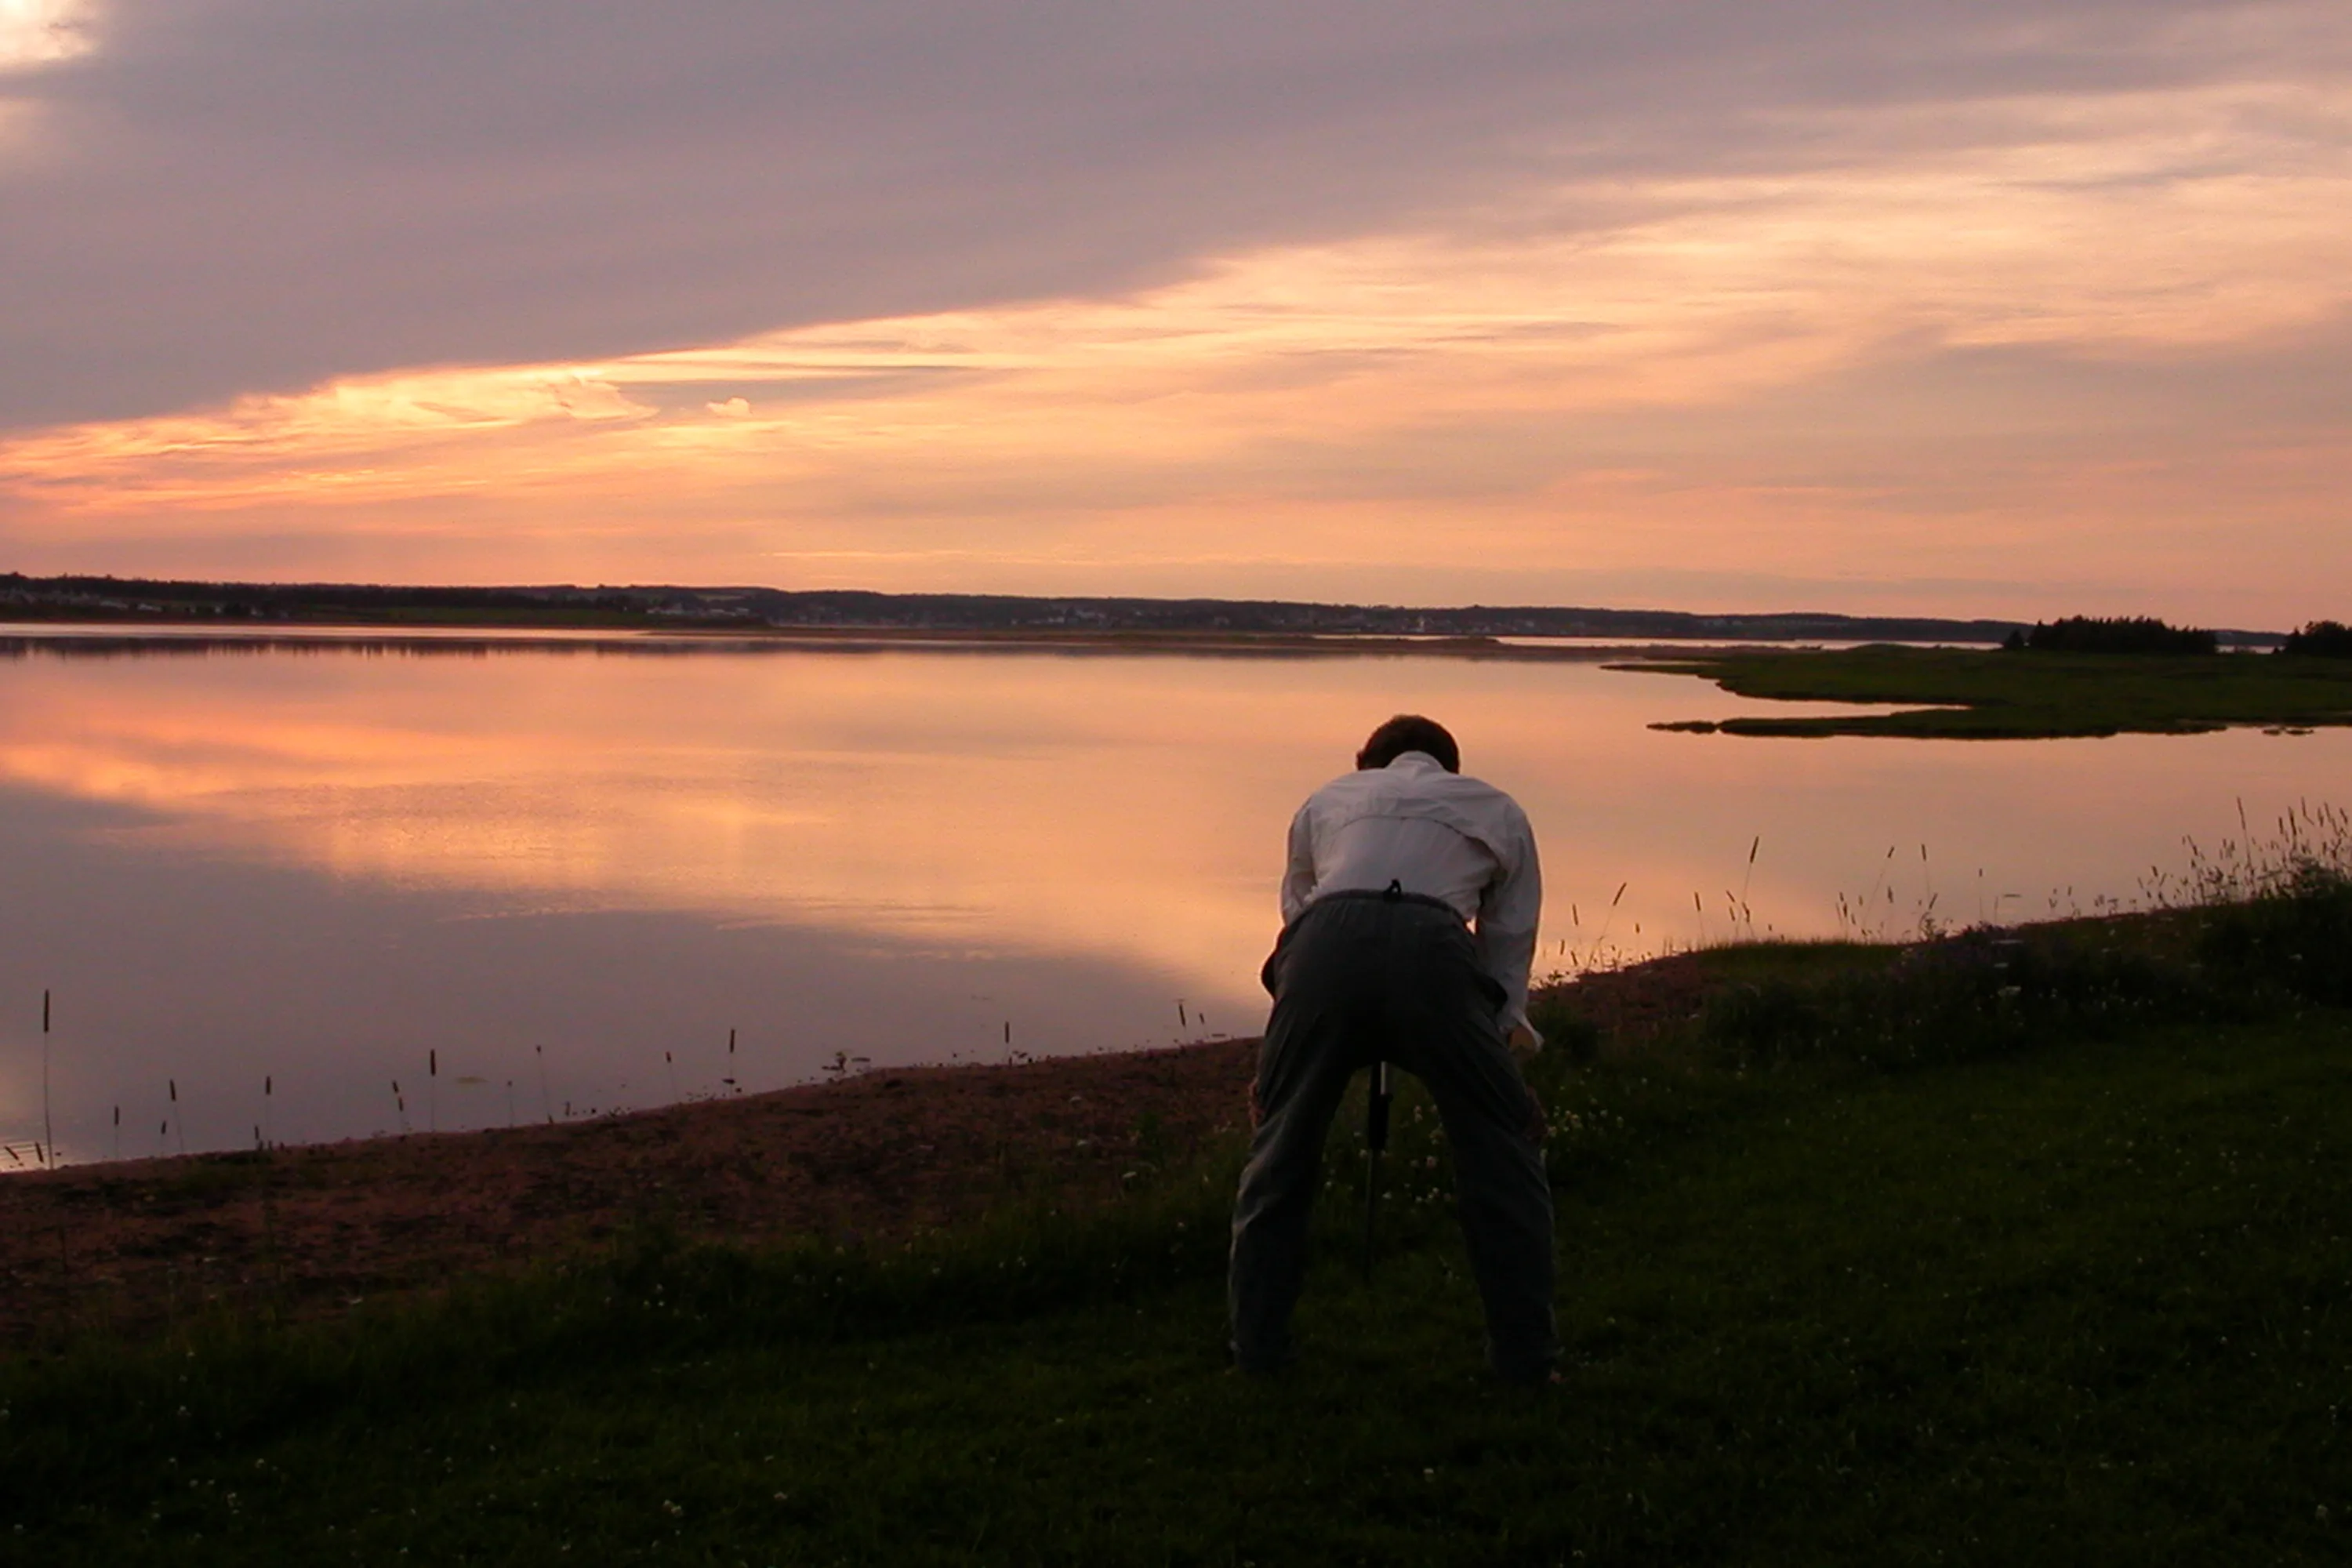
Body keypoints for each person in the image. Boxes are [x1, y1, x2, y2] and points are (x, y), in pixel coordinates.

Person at [1229, 713, 1559, 1383]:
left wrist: (1284, 1067)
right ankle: (1526, 1363)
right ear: (1451, 767)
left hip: (1324, 945)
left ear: (1366, 764)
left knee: (1279, 1152)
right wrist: (1500, 1065)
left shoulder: (1327, 799)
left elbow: (1299, 915)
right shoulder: (1495, 806)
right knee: (1503, 1151)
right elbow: (1507, 941)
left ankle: (1258, 1356)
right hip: (1435, 950)